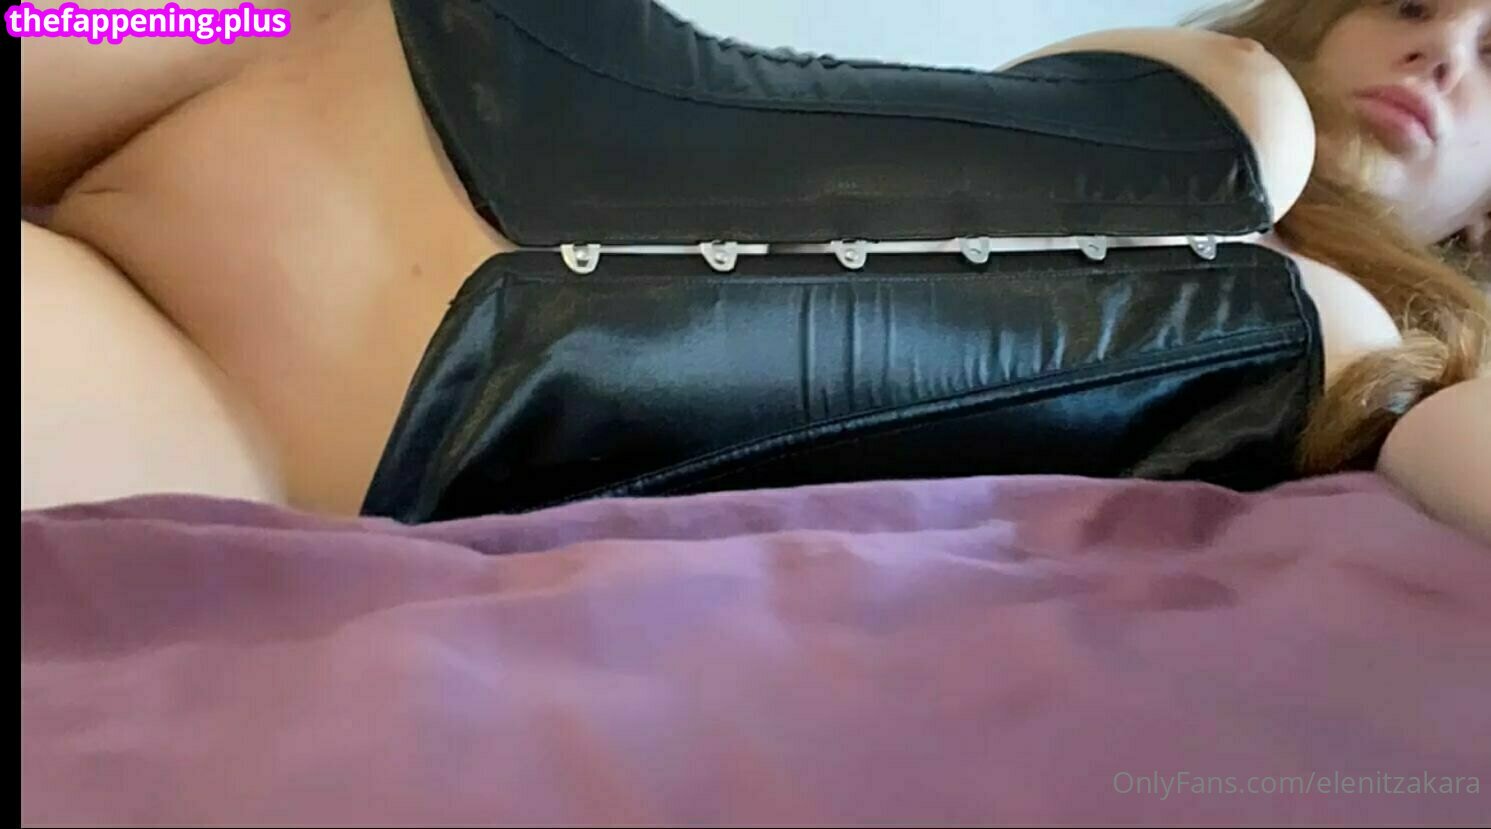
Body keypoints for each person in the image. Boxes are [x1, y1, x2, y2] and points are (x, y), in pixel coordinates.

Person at [18, 1, 1490, 540]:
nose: (1440, 52)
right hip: (329, 41)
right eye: (1414, 5)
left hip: (296, 421)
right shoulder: (1218, 89)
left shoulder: (1396, 384)